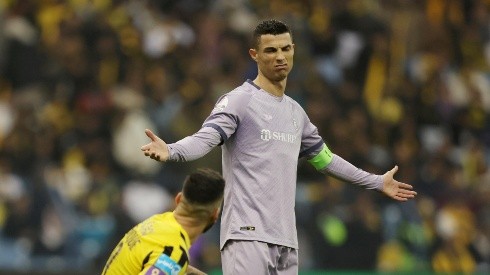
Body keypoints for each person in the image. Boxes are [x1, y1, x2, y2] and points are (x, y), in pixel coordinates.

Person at [141, 19, 417, 274]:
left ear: (294, 50)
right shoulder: (239, 101)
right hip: (246, 234)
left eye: (285, 48)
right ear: (255, 55)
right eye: (270, 50)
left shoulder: (296, 114)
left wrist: (376, 182)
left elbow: (327, 161)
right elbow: (206, 138)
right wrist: (172, 150)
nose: (280, 56)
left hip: (286, 240)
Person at [101, 168, 225, 275]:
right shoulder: (174, 252)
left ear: (178, 199)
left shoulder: (157, 221)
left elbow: (163, 260)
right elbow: (171, 258)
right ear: (214, 215)